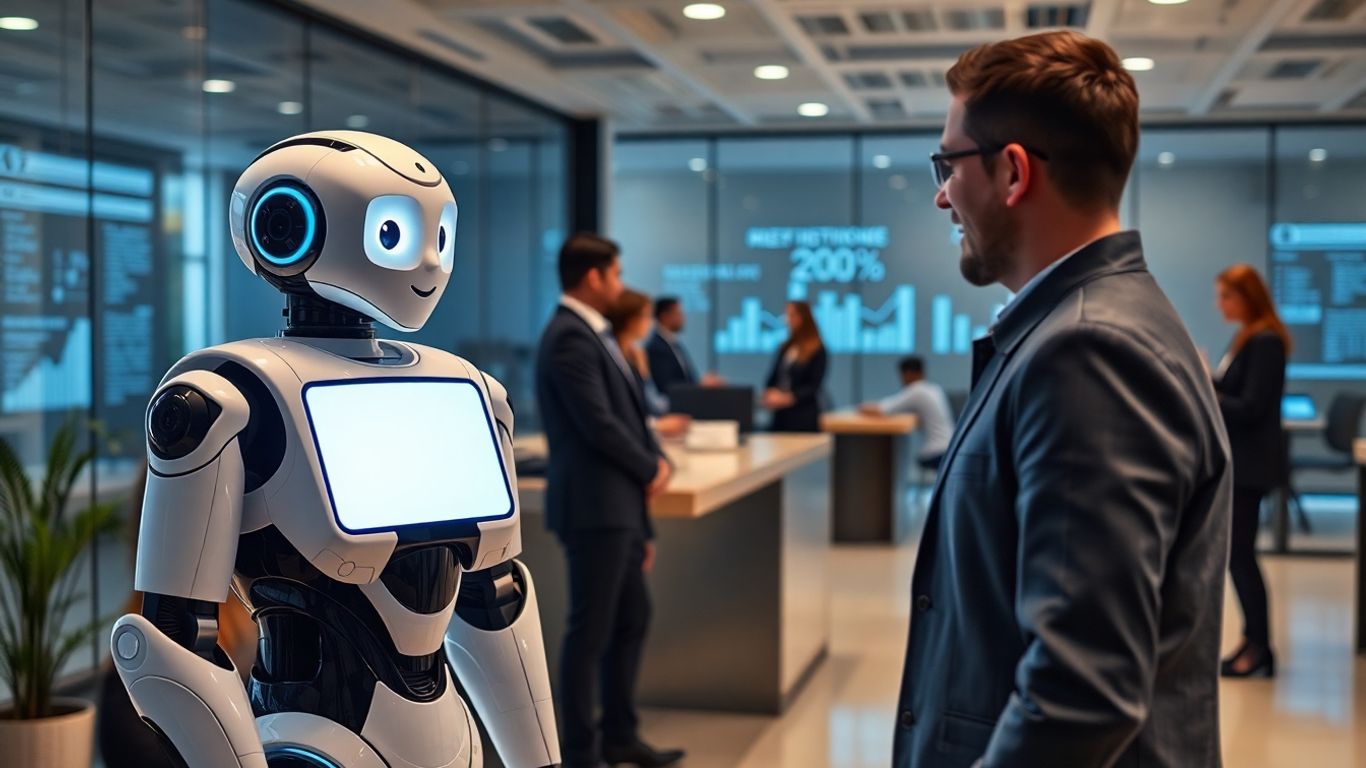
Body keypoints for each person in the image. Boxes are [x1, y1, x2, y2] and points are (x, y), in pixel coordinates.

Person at [894, 30, 1232, 768]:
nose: (941, 192)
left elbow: (1082, 691)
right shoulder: (1089, 325)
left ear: (1012, 172)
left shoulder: (1089, 351)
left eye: (948, 163)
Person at [534, 233, 685, 768]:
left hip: (617, 511)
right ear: (593, 277)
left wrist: (644, 523)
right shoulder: (569, 337)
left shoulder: (593, 335)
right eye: (616, 275)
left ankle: (620, 735)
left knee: (631, 618)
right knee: (590, 632)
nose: (620, 286)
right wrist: (651, 467)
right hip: (594, 510)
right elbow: (598, 424)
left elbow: (627, 419)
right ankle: (580, 751)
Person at [1212, 263, 1289, 679]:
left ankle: (1259, 648)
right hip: (1243, 464)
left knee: (1241, 557)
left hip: (1251, 466)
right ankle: (1252, 642)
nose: (1220, 304)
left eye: (1226, 296)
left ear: (1247, 297)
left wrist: (1212, 394)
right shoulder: (1248, 337)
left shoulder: (1265, 341)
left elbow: (1253, 406)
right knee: (1239, 557)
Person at [606, 288, 692, 438]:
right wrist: (657, 425)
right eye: (646, 316)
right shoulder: (612, 357)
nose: (651, 322)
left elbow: (649, 400)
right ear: (631, 320)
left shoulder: (635, 355)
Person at [858, 356, 955, 470]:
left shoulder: (916, 390)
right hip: (951, 447)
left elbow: (881, 409)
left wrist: (859, 407)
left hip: (937, 451)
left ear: (908, 374)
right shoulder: (935, 389)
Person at [761, 300, 827, 432]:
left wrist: (788, 398)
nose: (788, 320)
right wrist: (770, 393)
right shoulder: (785, 347)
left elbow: (813, 385)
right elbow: (773, 376)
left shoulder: (817, 349)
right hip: (781, 416)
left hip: (803, 416)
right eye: (787, 315)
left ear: (803, 318)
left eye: (792, 315)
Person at [646, 297, 722, 393]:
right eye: (678, 313)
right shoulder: (657, 348)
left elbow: (685, 378)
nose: (683, 317)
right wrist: (700, 385)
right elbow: (667, 386)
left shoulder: (673, 343)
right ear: (664, 316)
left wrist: (700, 383)